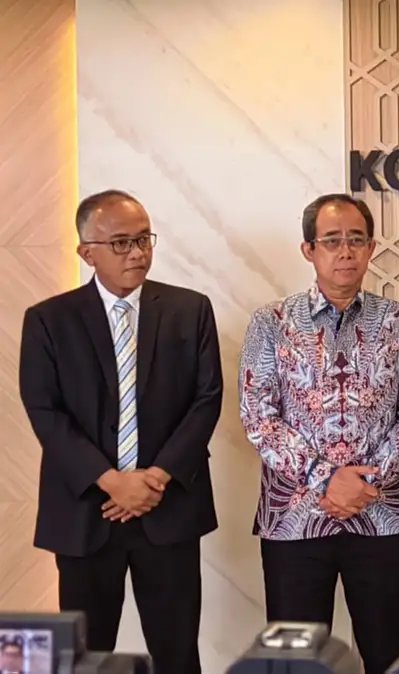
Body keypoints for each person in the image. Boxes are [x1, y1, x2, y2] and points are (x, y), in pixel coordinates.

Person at [18, 190, 222, 674]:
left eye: (144, 239)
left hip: (168, 508)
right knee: (85, 658)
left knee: (178, 655)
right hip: (86, 511)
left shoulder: (190, 309)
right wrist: (111, 481)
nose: (137, 252)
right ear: (87, 252)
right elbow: (45, 410)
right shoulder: (49, 320)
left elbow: (207, 398)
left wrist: (155, 478)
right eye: (121, 243)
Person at [238, 194, 399, 674]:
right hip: (294, 518)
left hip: (381, 515)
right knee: (297, 660)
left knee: (389, 653)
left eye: (356, 240)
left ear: (371, 248)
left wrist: (363, 484)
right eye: (331, 241)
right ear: (309, 249)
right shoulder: (272, 323)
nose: (345, 251)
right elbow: (258, 415)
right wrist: (326, 479)